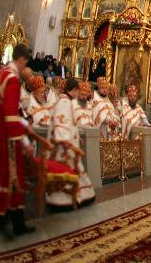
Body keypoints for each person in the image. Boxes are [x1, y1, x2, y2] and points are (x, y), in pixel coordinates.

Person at [0, 43, 35, 237]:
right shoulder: (12, 79)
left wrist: (23, 121)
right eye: (25, 64)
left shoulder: (1, 73)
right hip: (7, 135)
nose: (25, 69)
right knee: (14, 176)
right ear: (21, 59)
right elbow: (10, 115)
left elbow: (8, 108)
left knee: (1, 173)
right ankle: (18, 224)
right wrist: (26, 142)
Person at [48, 77, 96, 208]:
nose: (77, 94)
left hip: (67, 144)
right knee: (68, 171)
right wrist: (65, 141)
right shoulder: (64, 102)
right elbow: (60, 122)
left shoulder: (65, 100)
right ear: (74, 90)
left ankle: (75, 196)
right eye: (77, 91)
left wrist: (76, 136)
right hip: (64, 147)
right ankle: (65, 200)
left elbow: (69, 124)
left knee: (73, 172)